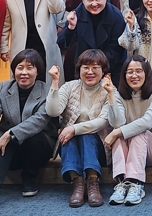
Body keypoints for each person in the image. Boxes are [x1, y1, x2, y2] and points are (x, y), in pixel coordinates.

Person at [0, 49, 57, 215]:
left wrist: (9, 134)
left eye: (30, 68)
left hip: (37, 150)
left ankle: (29, 177)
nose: (24, 72)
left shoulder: (46, 90)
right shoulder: (4, 87)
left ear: (38, 71)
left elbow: (38, 121)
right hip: (10, 152)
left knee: (27, 137)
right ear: (14, 70)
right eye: (20, 67)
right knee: (6, 143)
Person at [46, 50, 113, 208]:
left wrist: (73, 129)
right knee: (68, 138)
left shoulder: (108, 90)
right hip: (70, 143)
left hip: (99, 145)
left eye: (95, 68)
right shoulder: (69, 86)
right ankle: (77, 182)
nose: (90, 72)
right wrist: (55, 82)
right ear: (79, 69)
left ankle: (92, 180)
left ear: (103, 71)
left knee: (85, 135)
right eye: (86, 67)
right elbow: (52, 111)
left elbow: (102, 122)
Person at [105, 56, 152, 206]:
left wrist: (115, 132)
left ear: (146, 73)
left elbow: (147, 122)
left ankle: (136, 182)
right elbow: (117, 123)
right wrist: (111, 96)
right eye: (130, 72)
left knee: (137, 131)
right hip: (129, 148)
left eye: (138, 71)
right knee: (119, 133)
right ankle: (122, 183)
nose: (134, 75)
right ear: (124, 75)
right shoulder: (119, 95)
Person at [0, 0, 64, 82]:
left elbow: (58, 9)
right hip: (21, 45)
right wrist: (4, 47)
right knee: (23, 81)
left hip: (44, 45)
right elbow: (5, 23)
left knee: (47, 82)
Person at [57, 0, 126, 85]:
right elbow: (62, 44)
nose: (94, 4)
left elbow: (116, 50)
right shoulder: (77, 13)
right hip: (84, 70)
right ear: (83, 0)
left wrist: (97, 68)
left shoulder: (116, 16)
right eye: (89, 0)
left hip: (109, 69)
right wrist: (71, 27)